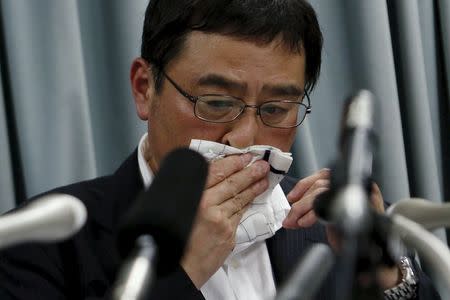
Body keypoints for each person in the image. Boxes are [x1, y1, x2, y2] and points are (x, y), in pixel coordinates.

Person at [0, 0, 440, 299]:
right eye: (216, 103)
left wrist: (385, 270)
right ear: (143, 88)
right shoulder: (40, 243)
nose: (245, 139)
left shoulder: (319, 231)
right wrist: (181, 270)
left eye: (276, 108)